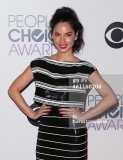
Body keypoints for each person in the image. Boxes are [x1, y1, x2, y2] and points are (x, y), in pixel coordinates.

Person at [8, 6, 117, 160]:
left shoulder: (84, 69)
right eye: (57, 34)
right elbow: (13, 89)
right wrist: (32, 113)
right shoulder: (40, 65)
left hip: (73, 142)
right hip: (46, 142)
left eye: (68, 35)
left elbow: (110, 97)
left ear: (76, 35)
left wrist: (83, 116)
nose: (62, 40)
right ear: (52, 35)